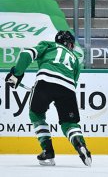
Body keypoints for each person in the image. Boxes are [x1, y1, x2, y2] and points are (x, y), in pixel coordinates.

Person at [5, 30, 92, 167]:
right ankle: (80, 144)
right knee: (69, 123)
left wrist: (17, 73)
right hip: (67, 88)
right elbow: (74, 82)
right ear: (69, 44)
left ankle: (47, 150)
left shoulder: (49, 45)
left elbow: (26, 53)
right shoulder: (75, 59)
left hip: (45, 81)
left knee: (36, 114)